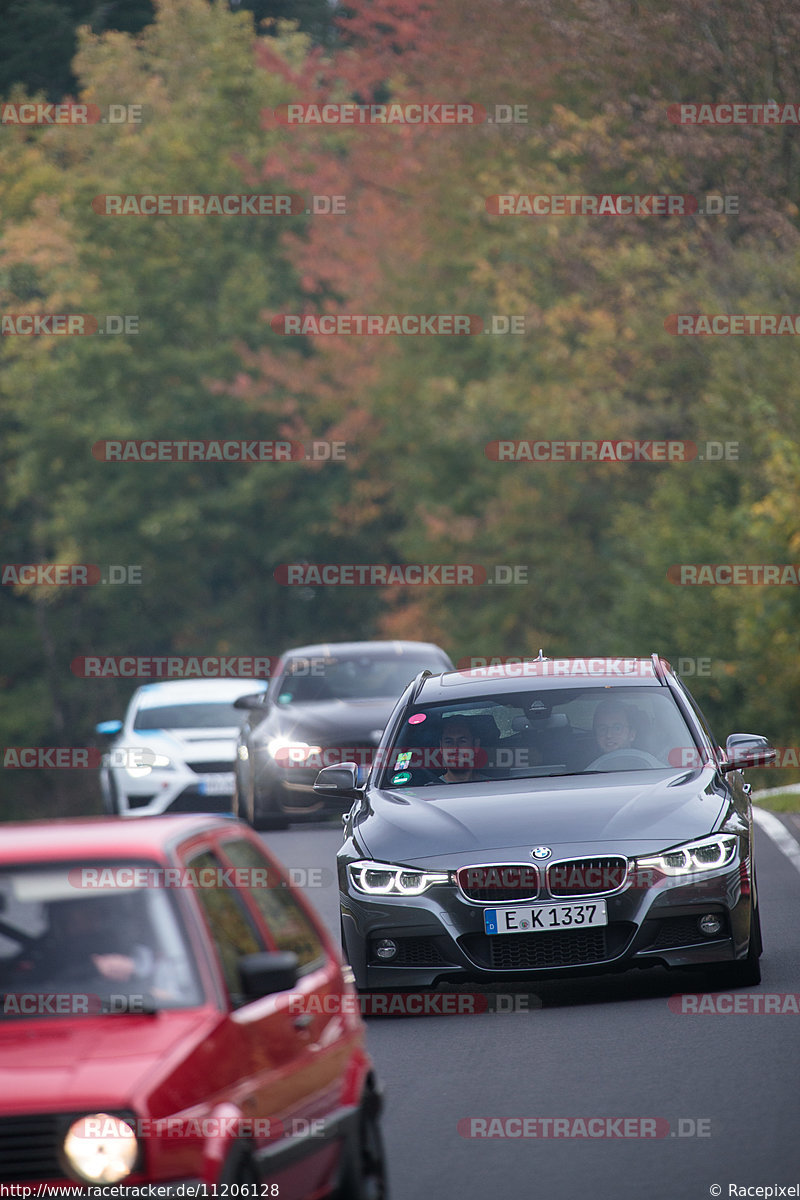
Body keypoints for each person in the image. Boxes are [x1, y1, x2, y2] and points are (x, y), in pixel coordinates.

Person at [438, 716, 486, 783]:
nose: (455, 748)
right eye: (449, 742)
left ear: (476, 745)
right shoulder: (427, 791)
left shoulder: (495, 787)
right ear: (441, 747)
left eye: (462, 741)